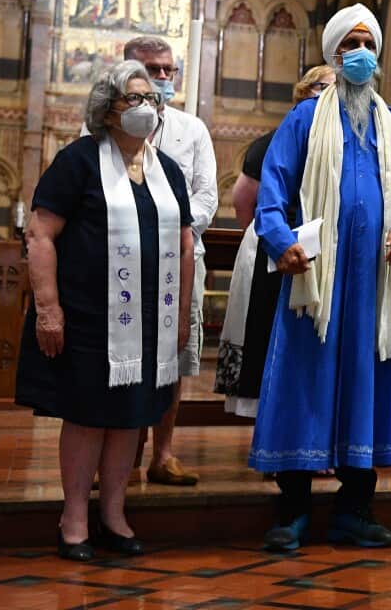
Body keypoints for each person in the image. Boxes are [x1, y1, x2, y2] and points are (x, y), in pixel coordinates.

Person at [249, 4, 391, 551]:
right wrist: (281, 244)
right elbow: (272, 193)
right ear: (334, 54)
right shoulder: (303, 120)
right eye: (350, 44)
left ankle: (356, 509)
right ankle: (294, 512)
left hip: (374, 287)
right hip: (315, 283)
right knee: (304, 384)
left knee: (369, 389)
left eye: (368, 44)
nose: (360, 54)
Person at [17, 61, 194, 561]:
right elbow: (40, 234)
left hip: (149, 324)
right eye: (133, 98)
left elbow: (183, 249)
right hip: (88, 318)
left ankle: (114, 515)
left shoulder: (169, 173)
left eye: (150, 100)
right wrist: (48, 310)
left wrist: (181, 315)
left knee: (129, 419)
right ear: (107, 109)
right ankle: (74, 519)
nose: (145, 108)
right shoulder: (77, 161)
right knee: (89, 417)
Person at [80, 36, 218, 487]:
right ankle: (119, 458)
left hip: (178, 258)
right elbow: (92, 190)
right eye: (152, 70)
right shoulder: (97, 130)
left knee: (172, 358)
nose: (162, 78)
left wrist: (163, 227)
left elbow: (206, 197)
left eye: (168, 70)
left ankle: (164, 453)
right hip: (119, 260)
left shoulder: (191, 129)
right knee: (121, 353)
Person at [216, 65, 335, 418]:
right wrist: (270, 237)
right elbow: (243, 201)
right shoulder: (273, 141)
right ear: (304, 93)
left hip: (325, 249)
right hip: (274, 245)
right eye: (324, 88)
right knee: (267, 333)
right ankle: (268, 427)